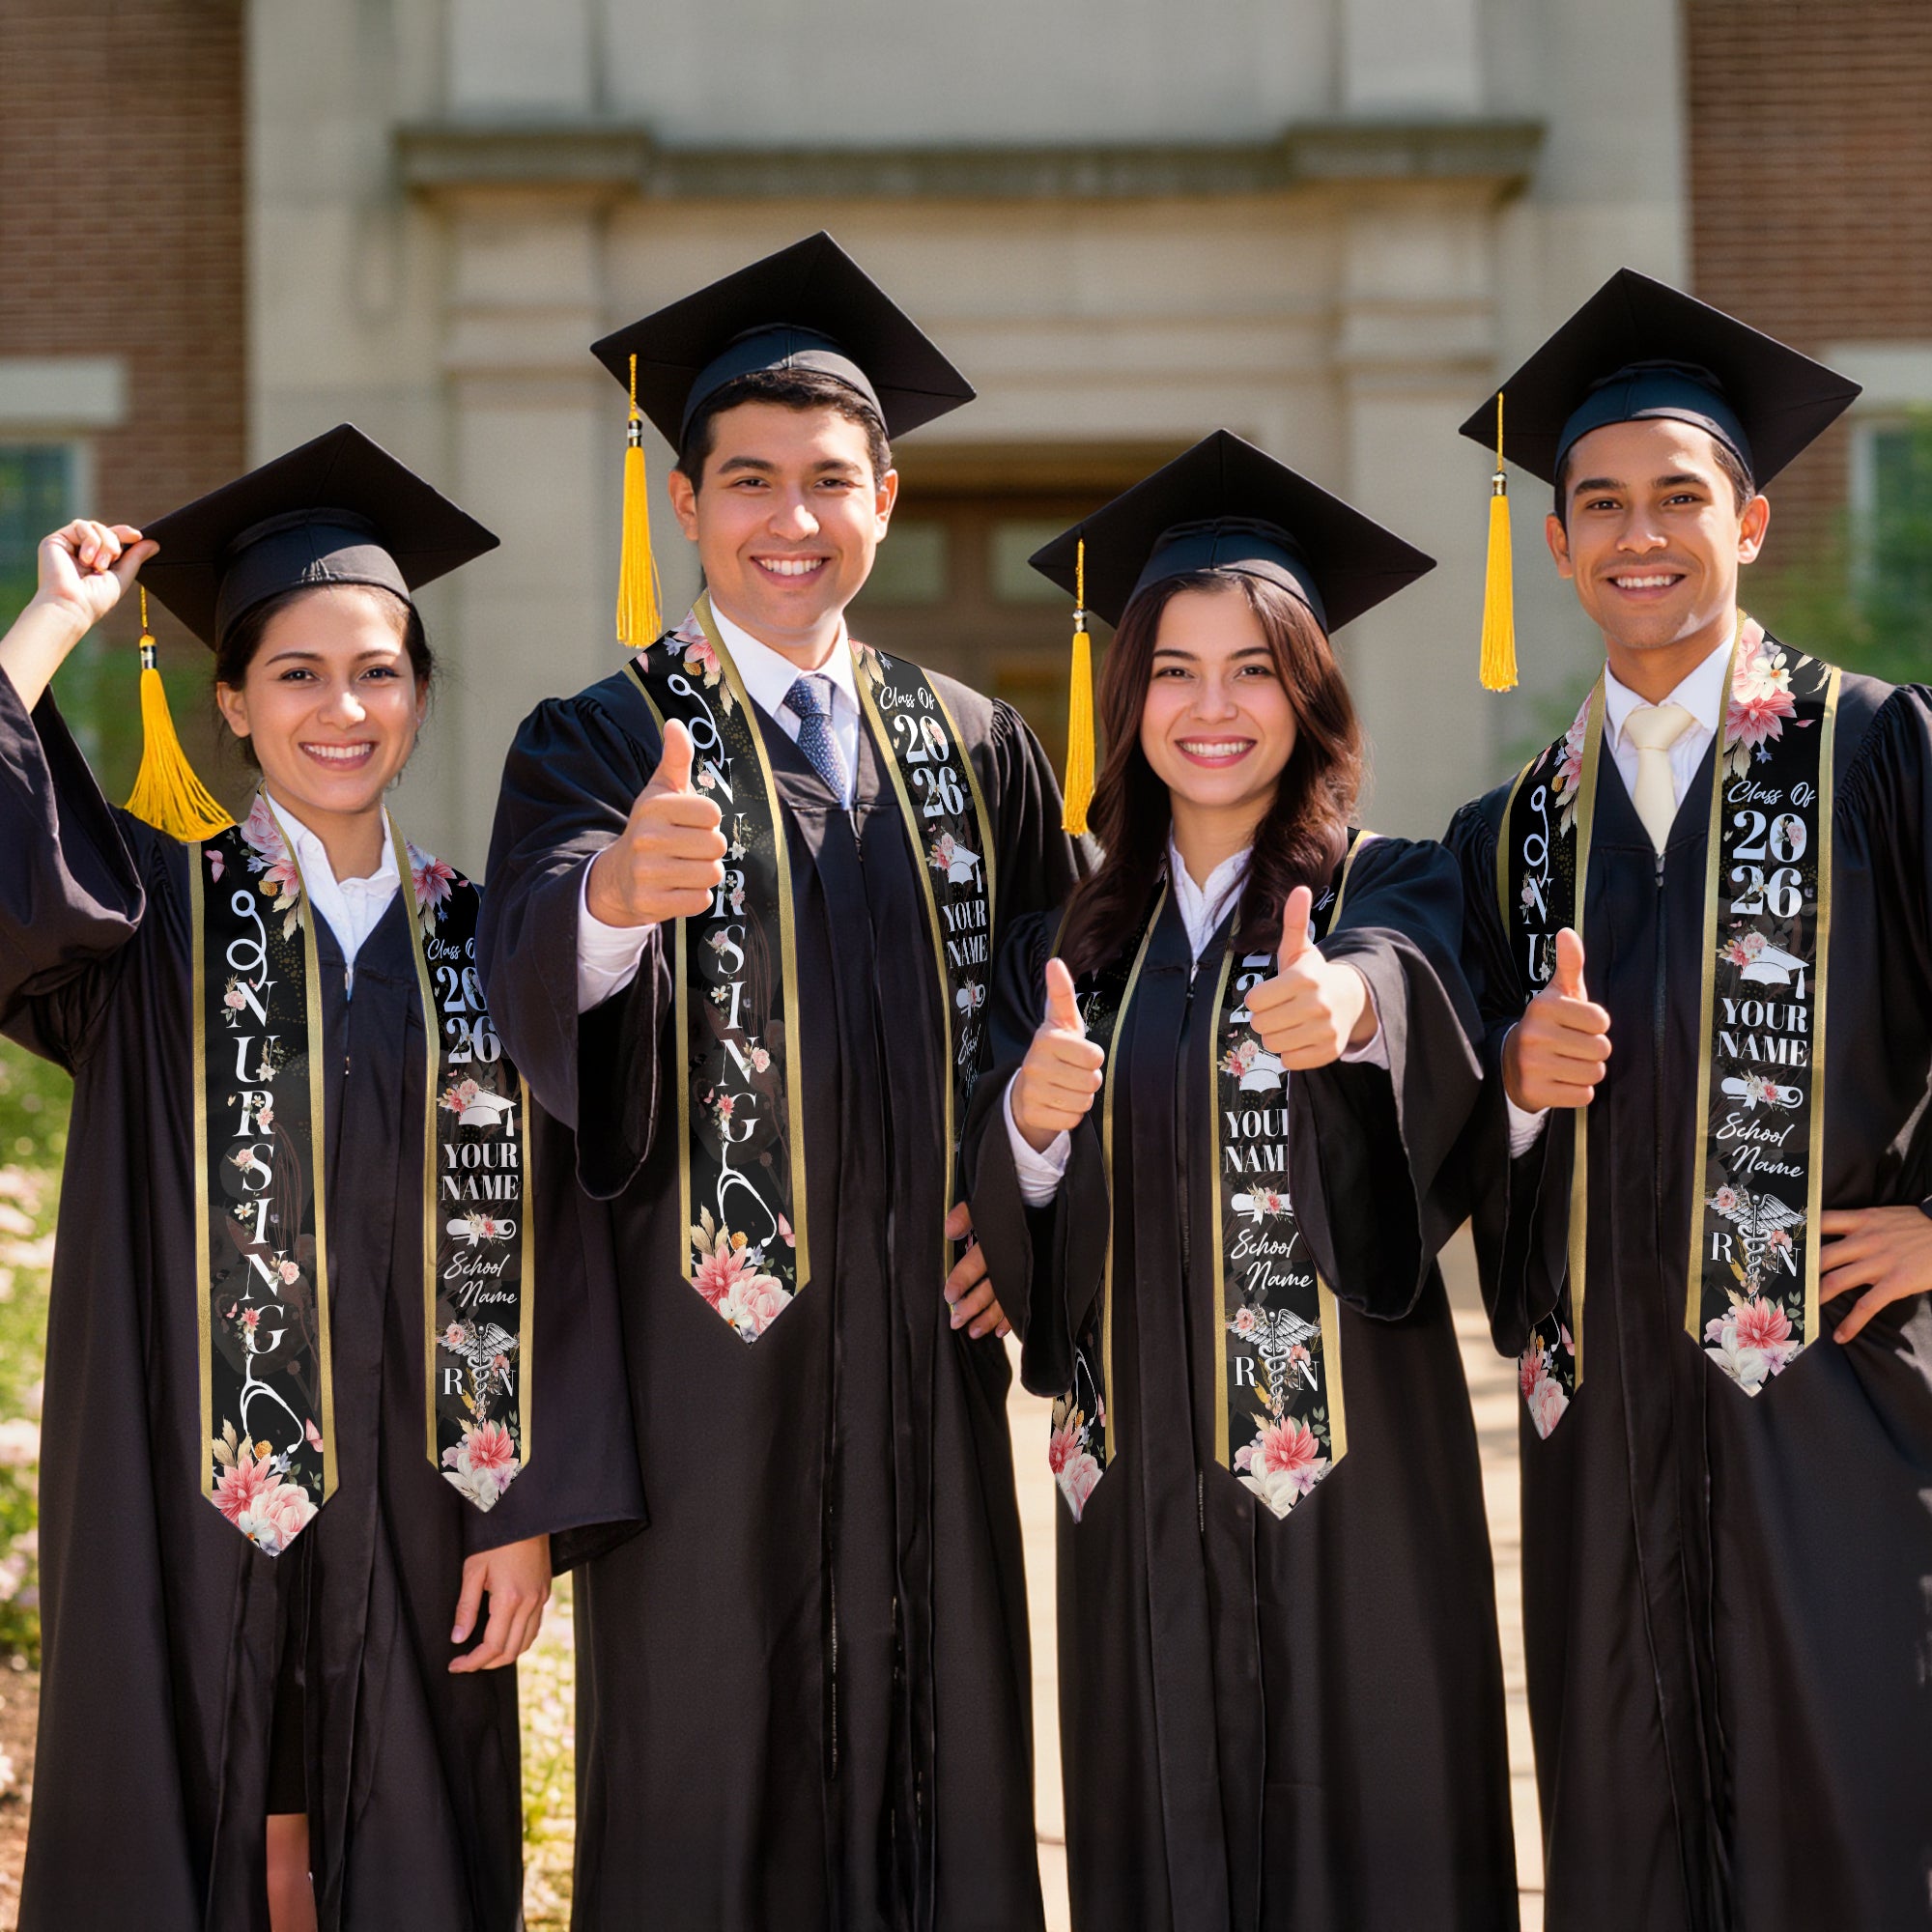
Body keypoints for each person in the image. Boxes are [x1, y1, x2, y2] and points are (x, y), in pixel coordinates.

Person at [477, 233, 1084, 1931]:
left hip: (925, 1362)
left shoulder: (976, 744)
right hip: (705, 1380)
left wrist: (1024, 1208)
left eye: (831, 481)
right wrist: (609, 900)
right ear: (686, 503)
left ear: (886, 497)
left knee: (942, 1762)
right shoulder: (597, 739)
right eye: (749, 482)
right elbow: (522, 971)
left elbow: (1075, 1010)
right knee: (709, 1777)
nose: (791, 520)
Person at [0, 425, 641, 1932]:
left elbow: (565, 1234)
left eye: (378, 671)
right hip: (181, 1488)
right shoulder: (150, 923)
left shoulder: (494, 942)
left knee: (406, 1838)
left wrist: (526, 1506)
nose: (340, 708)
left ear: (419, 694)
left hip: (429, 1502)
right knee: (196, 1817)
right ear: (230, 701)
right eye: (295, 673)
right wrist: (51, 624)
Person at [963, 431, 1519, 1931]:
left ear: (1311, 692)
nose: (1214, 709)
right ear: (1127, 696)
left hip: (1357, 1489)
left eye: (1256, 669)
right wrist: (1028, 1119)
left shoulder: (1389, 885)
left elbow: (1414, 992)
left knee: (1378, 1842)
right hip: (1135, 1480)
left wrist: (1348, 1013)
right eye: (1175, 671)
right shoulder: (1065, 946)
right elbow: (1015, 1220)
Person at [1445, 269, 1932, 1931]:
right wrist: (1510, 1084)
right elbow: (1439, 1129)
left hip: (1839, 1416)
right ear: (1561, 543)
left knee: (1852, 1815)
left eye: (1678, 498)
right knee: (1625, 1829)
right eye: (1599, 505)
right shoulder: (1511, 832)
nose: (1637, 534)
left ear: (1753, 520)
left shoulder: (1878, 755)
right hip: (1603, 1446)